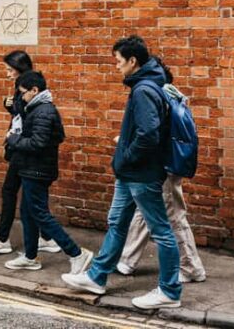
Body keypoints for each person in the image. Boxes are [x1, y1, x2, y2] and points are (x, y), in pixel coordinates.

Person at [62, 36, 182, 310]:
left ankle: (170, 291)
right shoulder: (146, 86)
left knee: (161, 231)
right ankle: (96, 276)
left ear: (132, 61)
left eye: (118, 62)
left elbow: (148, 135)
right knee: (117, 222)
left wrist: (126, 157)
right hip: (130, 173)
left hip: (141, 173)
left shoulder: (144, 90)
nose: (116, 67)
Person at [116, 57, 206, 284]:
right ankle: (127, 260)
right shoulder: (169, 92)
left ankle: (191, 267)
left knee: (172, 214)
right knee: (145, 209)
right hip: (166, 162)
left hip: (163, 162)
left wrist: (129, 148)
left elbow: (153, 132)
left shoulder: (157, 92)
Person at [2, 71, 93, 274]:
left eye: (23, 93)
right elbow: (57, 136)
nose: (21, 96)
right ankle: (30, 257)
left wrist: (13, 138)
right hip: (31, 168)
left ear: (35, 90)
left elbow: (38, 143)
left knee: (40, 214)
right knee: (27, 212)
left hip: (37, 170)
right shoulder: (36, 108)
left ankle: (76, 253)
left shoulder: (43, 111)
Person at [0, 50, 60, 256]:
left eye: (9, 69)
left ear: (20, 69)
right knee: (31, 199)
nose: (7, 74)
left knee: (14, 192)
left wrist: (13, 107)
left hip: (24, 150)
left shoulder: (29, 90)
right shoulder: (27, 88)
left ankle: (2, 239)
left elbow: (27, 117)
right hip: (23, 148)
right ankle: (46, 239)